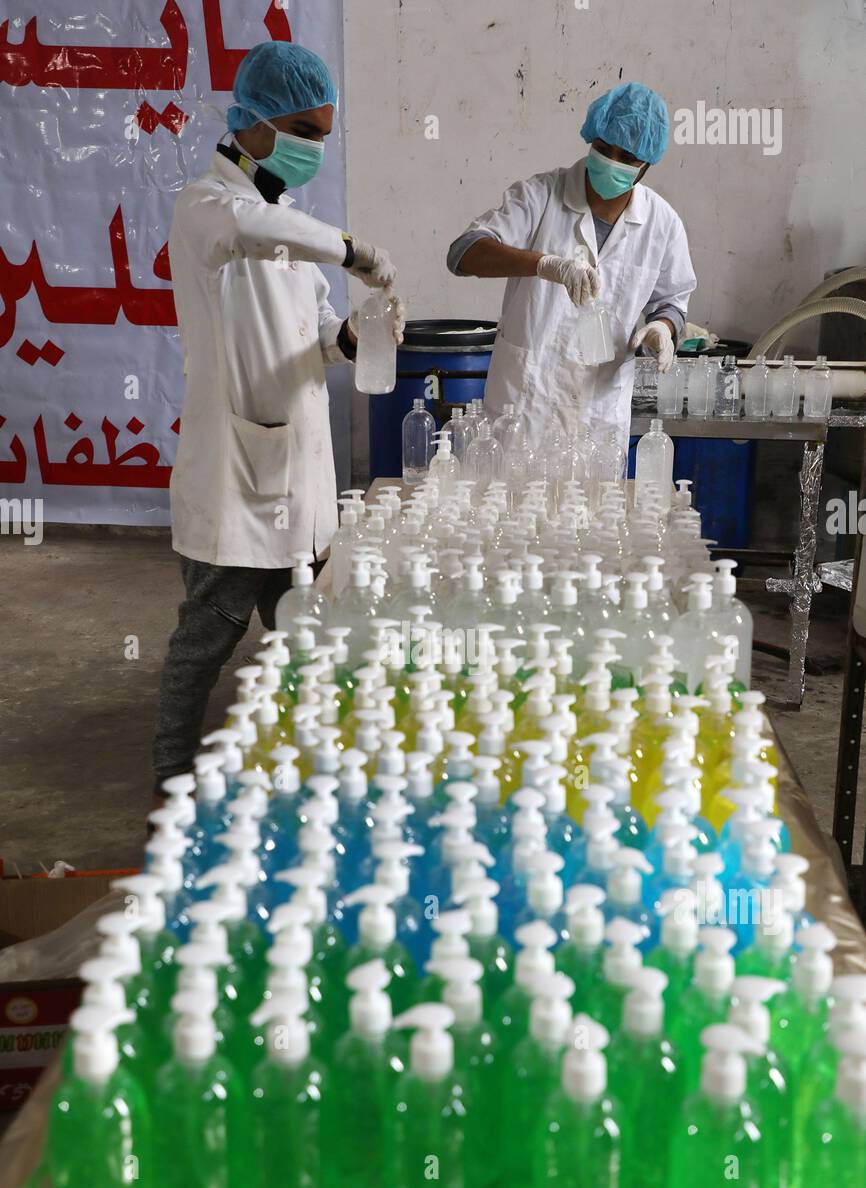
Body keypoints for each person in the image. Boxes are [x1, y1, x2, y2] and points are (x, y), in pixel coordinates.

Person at [152, 41, 403, 792]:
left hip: (297, 473)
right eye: (304, 130)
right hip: (234, 475)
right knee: (206, 638)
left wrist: (355, 335)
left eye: (325, 134)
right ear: (252, 122)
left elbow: (317, 335)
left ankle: (311, 772)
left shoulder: (285, 218)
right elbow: (250, 232)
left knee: (310, 629)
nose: (313, 148)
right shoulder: (207, 207)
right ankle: (169, 777)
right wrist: (352, 249)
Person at [447, 81, 696, 451]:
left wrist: (663, 327)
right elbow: (463, 254)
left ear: (645, 165)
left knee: (592, 508)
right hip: (526, 410)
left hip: (597, 418)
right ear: (590, 138)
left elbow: (672, 300)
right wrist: (545, 265)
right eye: (603, 149)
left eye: (626, 158)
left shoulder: (662, 224)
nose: (612, 162)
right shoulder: (540, 195)